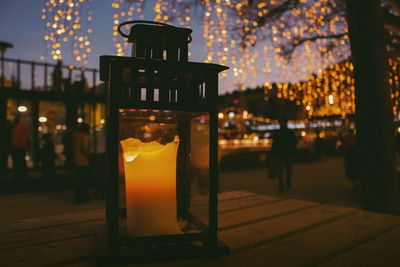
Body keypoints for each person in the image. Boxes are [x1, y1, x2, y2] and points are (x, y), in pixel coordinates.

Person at [270, 118, 297, 192]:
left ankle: (282, 186)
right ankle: (286, 185)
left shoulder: (278, 133)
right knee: (288, 170)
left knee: (281, 170)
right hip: (287, 153)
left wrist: (272, 154)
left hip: (280, 153)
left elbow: (274, 144)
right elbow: (294, 143)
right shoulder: (290, 132)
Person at [73, 123, 90, 203]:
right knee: (83, 181)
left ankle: (77, 198)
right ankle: (83, 198)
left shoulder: (75, 137)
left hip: (76, 161)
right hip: (83, 161)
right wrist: (88, 157)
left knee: (78, 181)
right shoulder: (85, 137)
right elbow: (85, 149)